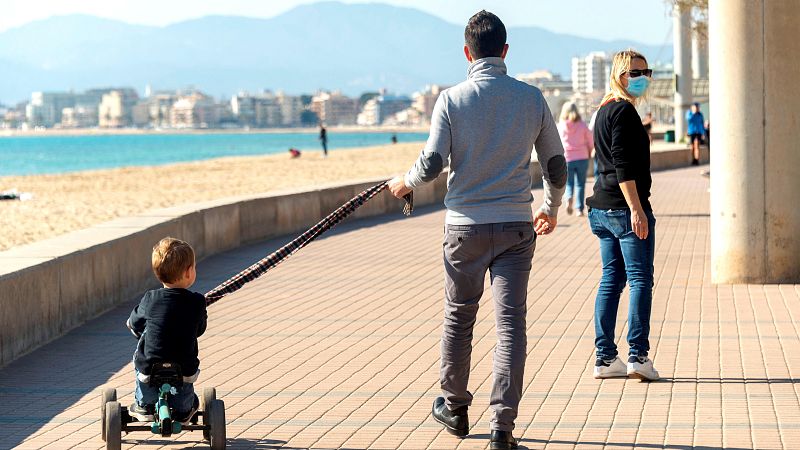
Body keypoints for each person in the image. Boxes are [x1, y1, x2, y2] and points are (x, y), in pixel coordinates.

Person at [387, 10, 566, 449]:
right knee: (510, 326)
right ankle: (502, 429)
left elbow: (432, 163)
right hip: (515, 227)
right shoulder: (532, 99)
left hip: (464, 229)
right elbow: (556, 164)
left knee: (459, 316)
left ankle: (454, 405)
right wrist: (551, 206)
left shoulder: (451, 99)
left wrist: (403, 183)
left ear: (467, 53)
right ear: (505, 52)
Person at [586, 50, 659, 381]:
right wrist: (636, 209)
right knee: (640, 278)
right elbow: (622, 165)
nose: (641, 77)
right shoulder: (624, 112)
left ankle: (605, 358)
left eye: (646, 71)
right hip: (622, 208)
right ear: (619, 74)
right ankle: (638, 356)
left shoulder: (602, 111)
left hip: (600, 208)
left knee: (612, 279)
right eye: (634, 72)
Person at [126, 237, 208, 422]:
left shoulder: (150, 298)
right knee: (186, 394)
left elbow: (135, 323)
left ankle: (144, 404)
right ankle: (183, 409)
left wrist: (134, 327)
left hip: (150, 367)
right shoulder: (197, 301)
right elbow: (200, 329)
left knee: (140, 358)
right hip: (184, 368)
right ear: (189, 272)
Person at [558, 102, 593, 217]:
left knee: (569, 183)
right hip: (582, 157)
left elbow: (557, 142)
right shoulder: (582, 124)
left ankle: (568, 198)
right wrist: (589, 151)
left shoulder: (561, 125)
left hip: (567, 158)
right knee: (580, 184)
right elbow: (590, 140)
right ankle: (579, 209)